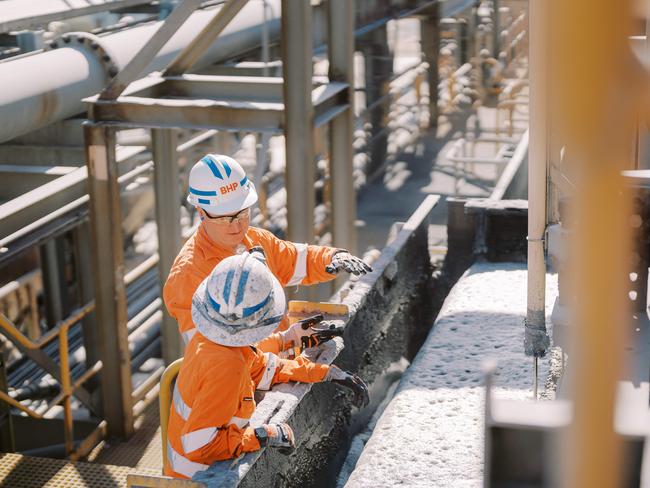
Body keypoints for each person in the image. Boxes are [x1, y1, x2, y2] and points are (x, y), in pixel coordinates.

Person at [165, 250, 369, 480]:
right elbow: (201, 445)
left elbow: (264, 368)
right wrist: (262, 435)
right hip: (200, 479)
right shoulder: (226, 366)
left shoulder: (212, 340)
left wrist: (327, 372)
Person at [164, 154, 372, 345]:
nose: (237, 226)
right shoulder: (188, 274)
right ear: (201, 211)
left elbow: (297, 261)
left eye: (243, 213)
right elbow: (213, 353)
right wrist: (285, 341)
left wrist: (333, 257)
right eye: (225, 218)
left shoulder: (255, 240)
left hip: (278, 364)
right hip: (240, 381)